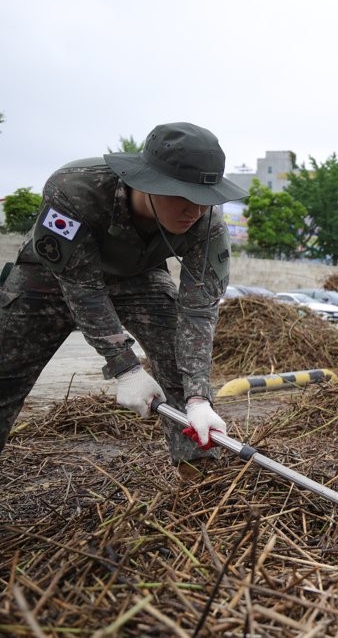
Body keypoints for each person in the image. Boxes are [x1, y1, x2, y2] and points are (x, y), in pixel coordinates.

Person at [0, 122, 245, 478]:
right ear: (146, 183)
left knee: (179, 361)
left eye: (205, 199)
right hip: (52, 277)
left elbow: (198, 310)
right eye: (182, 195)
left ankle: (198, 478)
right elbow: (83, 289)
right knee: (5, 371)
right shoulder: (75, 189)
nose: (195, 210)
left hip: (138, 277)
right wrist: (125, 367)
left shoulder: (207, 225)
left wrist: (198, 397)